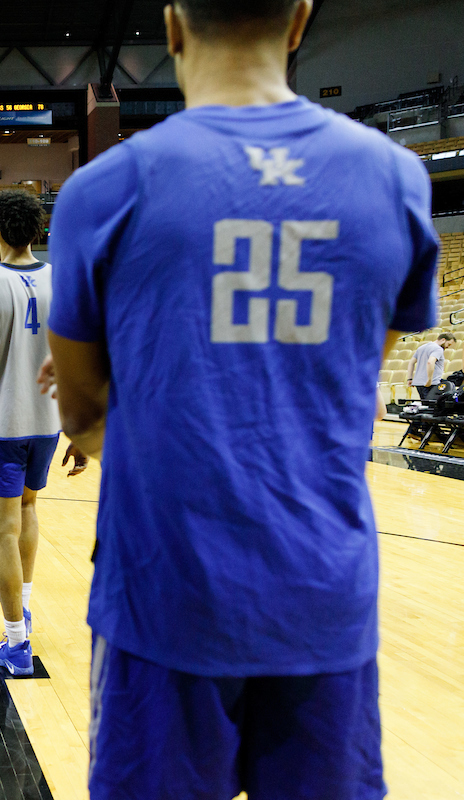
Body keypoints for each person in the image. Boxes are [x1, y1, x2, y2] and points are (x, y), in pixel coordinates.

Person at [42, 1, 438, 797]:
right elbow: (358, 372)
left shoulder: (105, 188)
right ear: (298, 22)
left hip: (164, 595)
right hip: (324, 596)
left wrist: (150, 383)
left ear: (174, 26)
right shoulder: (396, 178)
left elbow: (82, 416)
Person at [0, 189, 85, 677]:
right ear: (37, 233)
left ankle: (16, 643)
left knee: (3, 528)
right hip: (48, 426)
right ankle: (21, 610)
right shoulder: (62, 281)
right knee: (28, 510)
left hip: (3, 426)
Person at [407, 333, 455, 399]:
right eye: (448, 344)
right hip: (431, 383)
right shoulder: (438, 349)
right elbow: (430, 362)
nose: (447, 347)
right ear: (443, 340)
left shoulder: (422, 347)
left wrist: (409, 378)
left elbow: (411, 362)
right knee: (432, 406)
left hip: (419, 382)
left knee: (425, 404)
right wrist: (429, 379)